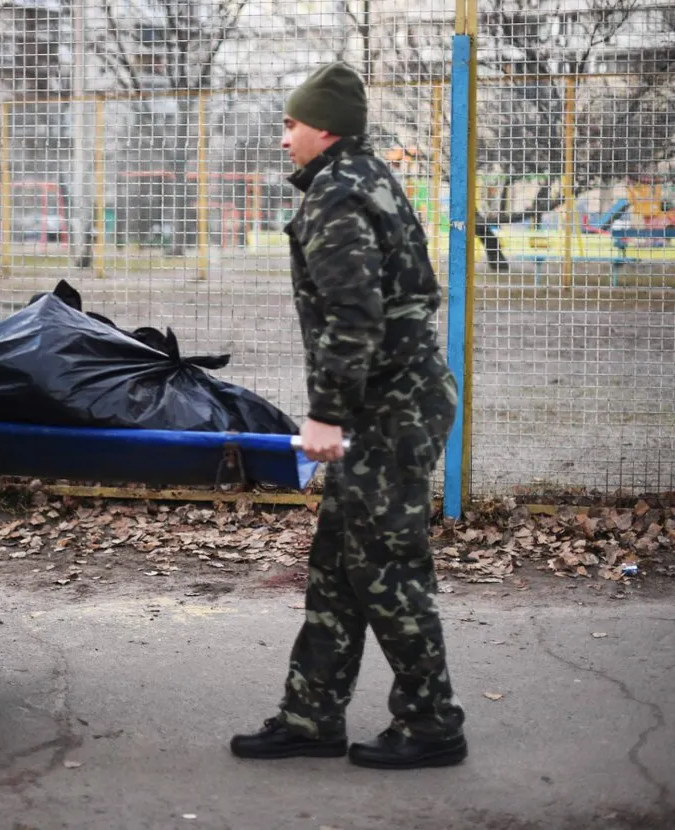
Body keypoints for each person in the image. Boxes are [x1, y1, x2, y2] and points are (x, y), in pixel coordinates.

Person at [229, 62, 467, 770]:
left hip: (387, 410)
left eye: (290, 125)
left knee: (387, 568)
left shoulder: (337, 194)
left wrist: (325, 417)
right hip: (392, 400)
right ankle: (311, 715)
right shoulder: (360, 177)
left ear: (323, 129)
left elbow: (354, 315)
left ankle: (431, 724)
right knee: (339, 562)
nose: (282, 139)